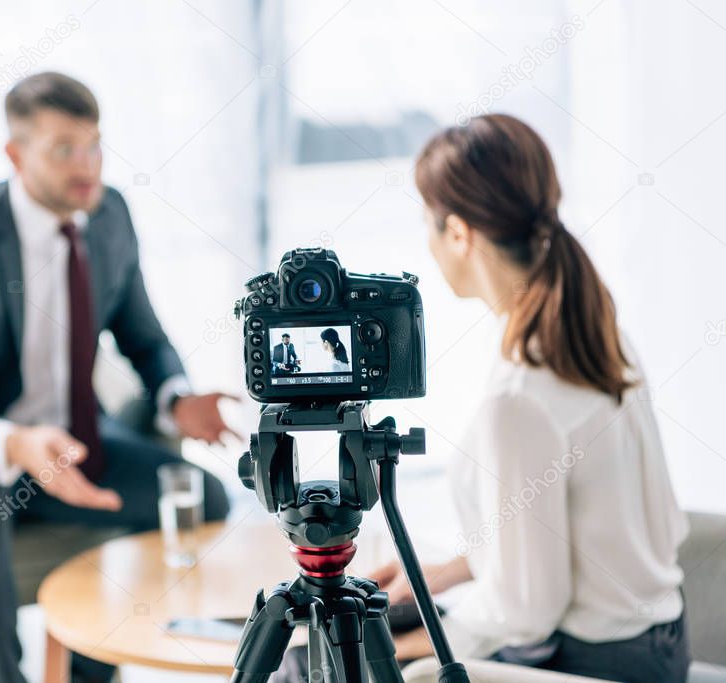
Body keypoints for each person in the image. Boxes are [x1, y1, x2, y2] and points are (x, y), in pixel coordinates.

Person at [275, 114, 689, 683]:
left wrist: (409, 648)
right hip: (658, 643)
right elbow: (580, 534)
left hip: (589, 666)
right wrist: (443, 572)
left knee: (307, 665)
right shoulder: (595, 331)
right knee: (370, 626)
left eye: (429, 222)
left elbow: (526, 613)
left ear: (461, 233)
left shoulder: (520, 398)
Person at [0, 72, 236, 683]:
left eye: (94, 145)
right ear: (16, 154)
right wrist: (13, 443)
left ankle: (90, 672)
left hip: (69, 445)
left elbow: (144, 338)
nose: (86, 165)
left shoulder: (109, 214)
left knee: (202, 495)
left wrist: (177, 398)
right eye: (64, 149)